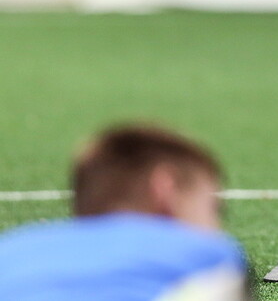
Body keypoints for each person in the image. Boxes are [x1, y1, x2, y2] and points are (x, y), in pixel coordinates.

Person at [0, 124, 250, 300]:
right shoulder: (207, 255)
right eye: (215, 210)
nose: (218, 227)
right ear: (164, 190)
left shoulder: (10, 248)